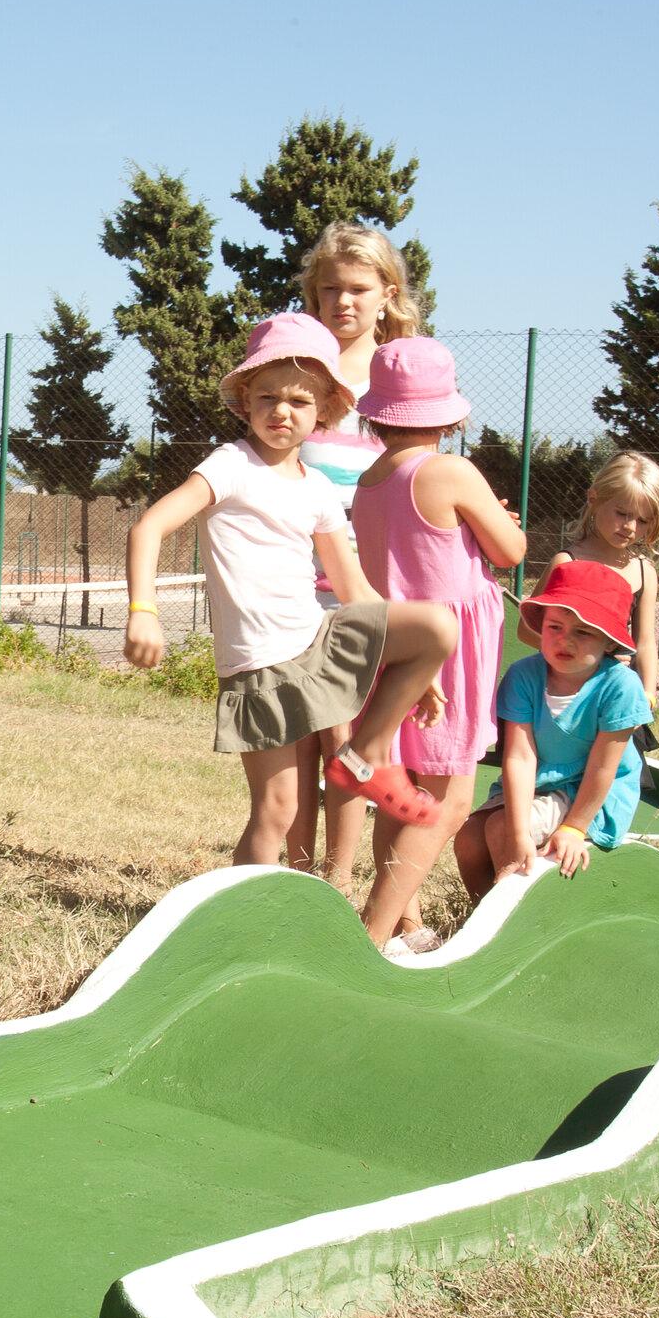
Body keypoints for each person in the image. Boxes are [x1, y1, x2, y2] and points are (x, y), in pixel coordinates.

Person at [126, 312, 456, 875]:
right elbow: (149, 527)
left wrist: (420, 674)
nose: (282, 411)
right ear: (246, 401)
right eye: (268, 397)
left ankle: (361, 759)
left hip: (316, 642)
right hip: (262, 665)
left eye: (300, 402)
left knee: (435, 629)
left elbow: (352, 588)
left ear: (324, 412)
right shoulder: (230, 466)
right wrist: (143, 611)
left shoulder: (320, 489)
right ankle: (240, 917)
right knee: (277, 812)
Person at [344, 337, 525, 952]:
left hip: (394, 649)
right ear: (452, 417)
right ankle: (370, 936)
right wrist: (494, 521)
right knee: (448, 800)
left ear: (375, 413)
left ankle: (407, 924)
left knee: (400, 793)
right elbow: (511, 550)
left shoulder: (370, 479)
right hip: (449, 657)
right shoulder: (450, 470)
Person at [292, 223, 426, 879]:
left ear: (386, 293)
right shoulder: (299, 370)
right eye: (329, 290)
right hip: (295, 586)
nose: (343, 302)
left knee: (348, 739)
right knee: (296, 742)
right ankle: (289, 878)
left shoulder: (403, 374)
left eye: (358, 289)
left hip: (372, 587)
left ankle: (338, 881)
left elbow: (423, 472)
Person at [455, 559, 654, 900]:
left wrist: (574, 827)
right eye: (555, 627)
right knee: (470, 839)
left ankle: (514, 931)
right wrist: (518, 835)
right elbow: (519, 757)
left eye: (583, 631)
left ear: (608, 641)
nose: (565, 641)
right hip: (537, 783)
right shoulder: (523, 676)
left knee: (502, 829)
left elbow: (604, 768)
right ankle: (482, 919)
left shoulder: (620, 686)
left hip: (588, 794)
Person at [519, 451, 659, 744]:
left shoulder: (643, 572)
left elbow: (645, 641)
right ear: (594, 498)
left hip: (614, 694)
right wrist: (581, 653)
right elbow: (527, 628)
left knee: (612, 776)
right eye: (622, 513)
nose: (630, 527)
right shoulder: (566, 562)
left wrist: (648, 692)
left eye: (642, 520)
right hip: (563, 693)